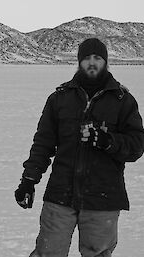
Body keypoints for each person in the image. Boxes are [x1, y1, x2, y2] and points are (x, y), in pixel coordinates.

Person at [14, 38, 144, 257]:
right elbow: (43, 144)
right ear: (78, 62)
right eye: (86, 58)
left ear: (106, 62)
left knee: (98, 254)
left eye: (97, 58)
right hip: (60, 195)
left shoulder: (123, 101)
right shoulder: (59, 98)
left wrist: (107, 141)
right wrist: (28, 180)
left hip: (103, 198)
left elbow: (136, 146)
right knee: (48, 253)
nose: (91, 63)